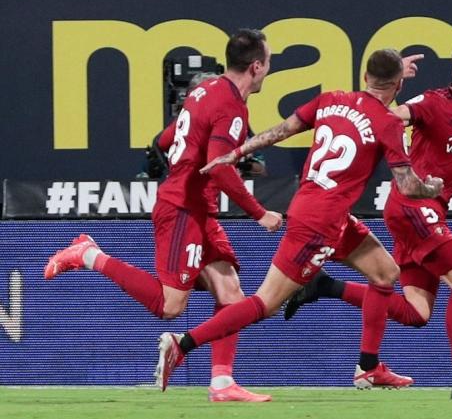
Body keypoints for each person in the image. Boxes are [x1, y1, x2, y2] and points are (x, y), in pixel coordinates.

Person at [282, 38, 452, 400]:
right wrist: (397, 85)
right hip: (413, 207)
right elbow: (388, 117)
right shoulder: (430, 103)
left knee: (416, 313)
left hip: (423, 212)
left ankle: (325, 286)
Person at [155, 48, 444, 392]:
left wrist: (237, 152)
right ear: (398, 86)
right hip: (319, 225)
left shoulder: (331, 99)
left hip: (325, 213)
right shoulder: (390, 123)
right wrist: (430, 188)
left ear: (365, 77)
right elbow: (408, 186)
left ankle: (367, 367)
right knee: (265, 303)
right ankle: (182, 344)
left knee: (385, 272)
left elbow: (281, 130)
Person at [44, 28, 283, 402]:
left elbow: (166, 139)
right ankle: (88, 254)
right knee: (170, 306)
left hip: (198, 209)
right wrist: (259, 213)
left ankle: (222, 383)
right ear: (256, 66)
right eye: (269, 62)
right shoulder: (231, 106)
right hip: (183, 209)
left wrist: (182, 164)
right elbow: (219, 167)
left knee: (230, 291)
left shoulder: (204, 91)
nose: (269, 69)